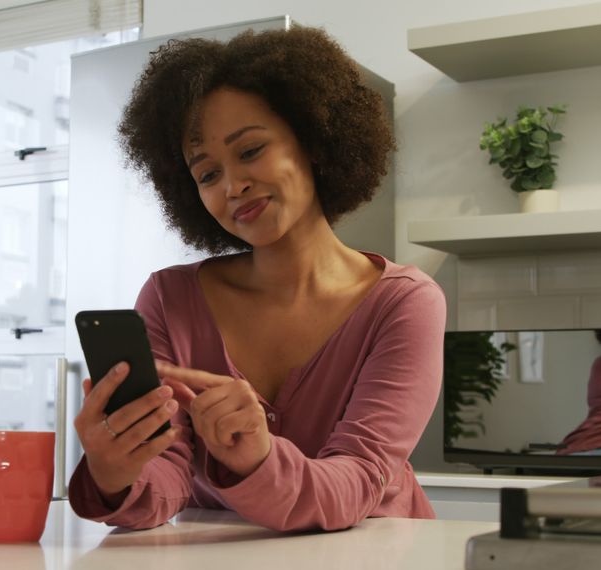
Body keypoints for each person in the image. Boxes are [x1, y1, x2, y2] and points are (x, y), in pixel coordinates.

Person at [68, 26, 446, 532]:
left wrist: (258, 459)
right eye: (207, 174)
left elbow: (360, 476)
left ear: (312, 139)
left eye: (249, 151)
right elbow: (168, 477)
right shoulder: (169, 298)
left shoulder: (405, 303)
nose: (233, 185)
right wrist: (117, 473)